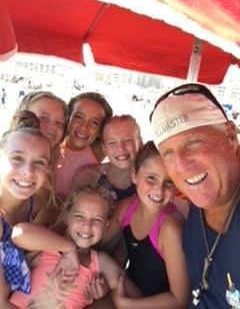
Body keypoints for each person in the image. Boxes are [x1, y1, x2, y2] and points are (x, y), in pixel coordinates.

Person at [150, 83, 240, 308]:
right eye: (168, 153)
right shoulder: (194, 204)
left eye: (193, 143)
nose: (180, 165)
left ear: (230, 135)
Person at [10, 185, 140, 309]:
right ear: (66, 216)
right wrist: (68, 248)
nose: (87, 225)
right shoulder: (49, 243)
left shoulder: (100, 262)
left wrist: (106, 298)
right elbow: (18, 233)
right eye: (79, 217)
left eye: (97, 220)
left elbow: (137, 300)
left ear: (106, 225)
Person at [102, 141, 190, 308]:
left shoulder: (170, 228)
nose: (159, 190)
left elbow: (180, 300)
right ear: (134, 175)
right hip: (129, 292)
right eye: (151, 178)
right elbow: (101, 248)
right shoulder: (127, 208)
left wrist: (127, 304)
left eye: (169, 182)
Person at [0, 116, 53, 308]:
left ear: (48, 169)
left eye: (39, 162)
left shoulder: (36, 203)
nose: (28, 171)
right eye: (17, 158)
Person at [54, 92, 113, 199]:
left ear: (101, 131)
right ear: (68, 117)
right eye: (78, 117)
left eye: (94, 122)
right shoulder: (52, 146)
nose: (84, 127)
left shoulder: (97, 150)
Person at [72, 115, 142, 202]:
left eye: (127, 140)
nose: (121, 148)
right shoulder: (88, 178)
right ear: (104, 149)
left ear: (140, 143)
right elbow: (69, 213)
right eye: (112, 143)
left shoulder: (148, 181)